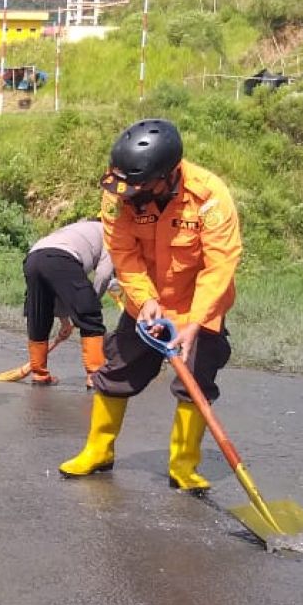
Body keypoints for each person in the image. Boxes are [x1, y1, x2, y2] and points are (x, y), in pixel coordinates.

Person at [59, 119, 241, 494]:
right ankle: (98, 450)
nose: (129, 194)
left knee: (196, 382)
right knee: (117, 370)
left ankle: (184, 466)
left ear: (167, 175)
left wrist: (195, 323)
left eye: (139, 186)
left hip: (198, 305)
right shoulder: (119, 187)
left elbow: (219, 263)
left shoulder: (209, 197)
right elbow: (123, 252)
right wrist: (144, 302)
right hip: (147, 303)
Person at [23, 219, 115, 387]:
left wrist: (66, 321)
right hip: (63, 257)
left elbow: (60, 289)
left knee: (39, 314)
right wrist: (87, 305)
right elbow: (103, 275)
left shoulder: (80, 228)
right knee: (91, 318)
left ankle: (39, 374)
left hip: (33, 258)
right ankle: (96, 376)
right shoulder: (113, 235)